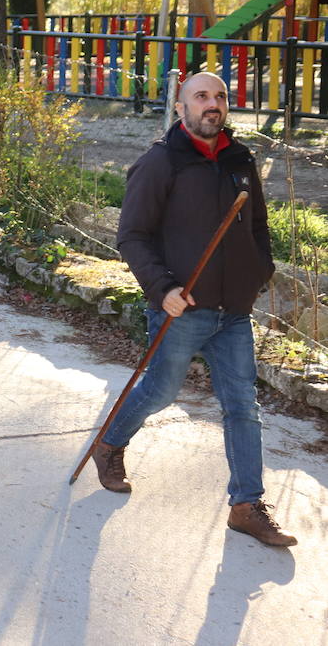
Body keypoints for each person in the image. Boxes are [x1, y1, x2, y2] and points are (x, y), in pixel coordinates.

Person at [94, 72, 295, 547]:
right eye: (201, 96)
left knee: (243, 405)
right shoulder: (162, 163)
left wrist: (257, 271)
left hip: (234, 311)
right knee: (161, 392)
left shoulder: (240, 160)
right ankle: (110, 444)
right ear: (181, 107)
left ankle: (246, 505)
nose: (213, 104)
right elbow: (132, 236)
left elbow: (260, 227)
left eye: (220, 96)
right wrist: (162, 288)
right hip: (181, 309)